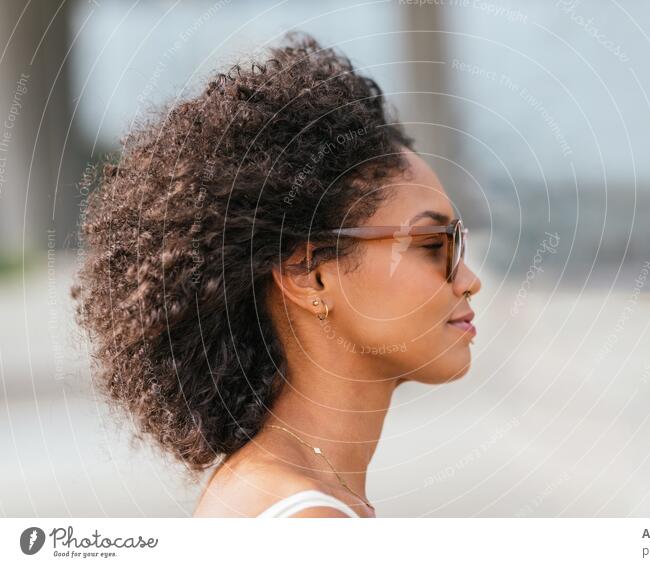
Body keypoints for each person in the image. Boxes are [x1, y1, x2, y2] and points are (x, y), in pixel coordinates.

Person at [72, 31, 481, 518]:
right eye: (432, 244)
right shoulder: (309, 521)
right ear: (307, 273)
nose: (468, 278)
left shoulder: (273, 490)